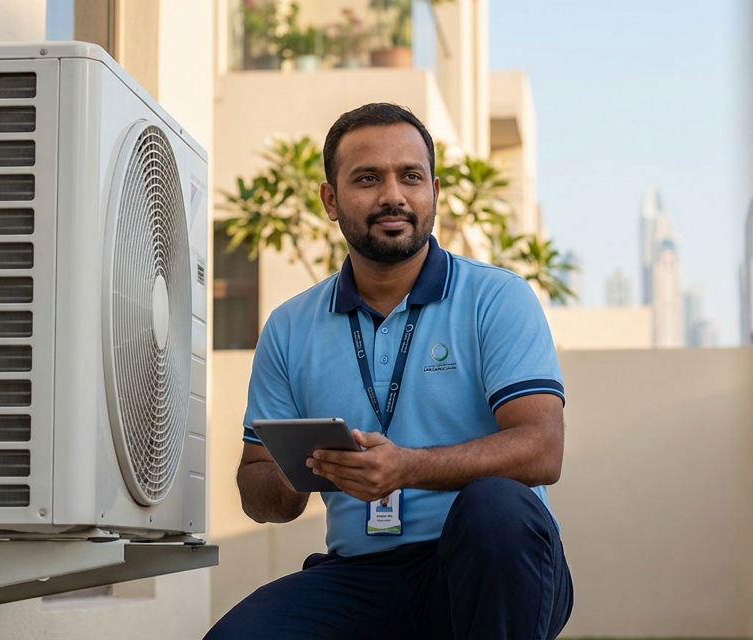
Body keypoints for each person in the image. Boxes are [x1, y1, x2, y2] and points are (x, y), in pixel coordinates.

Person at [204, 103, 573, 640]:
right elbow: (257, 487)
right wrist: (298, 471)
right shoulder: (289, 327)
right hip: (362, 576)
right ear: (330, 200)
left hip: (487, 567)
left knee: (497, 506)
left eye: (411, 177)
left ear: (434, 194)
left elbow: (543, 448)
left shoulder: (496, 297)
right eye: (368, 179)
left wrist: (407, 468)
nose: (393, 195)